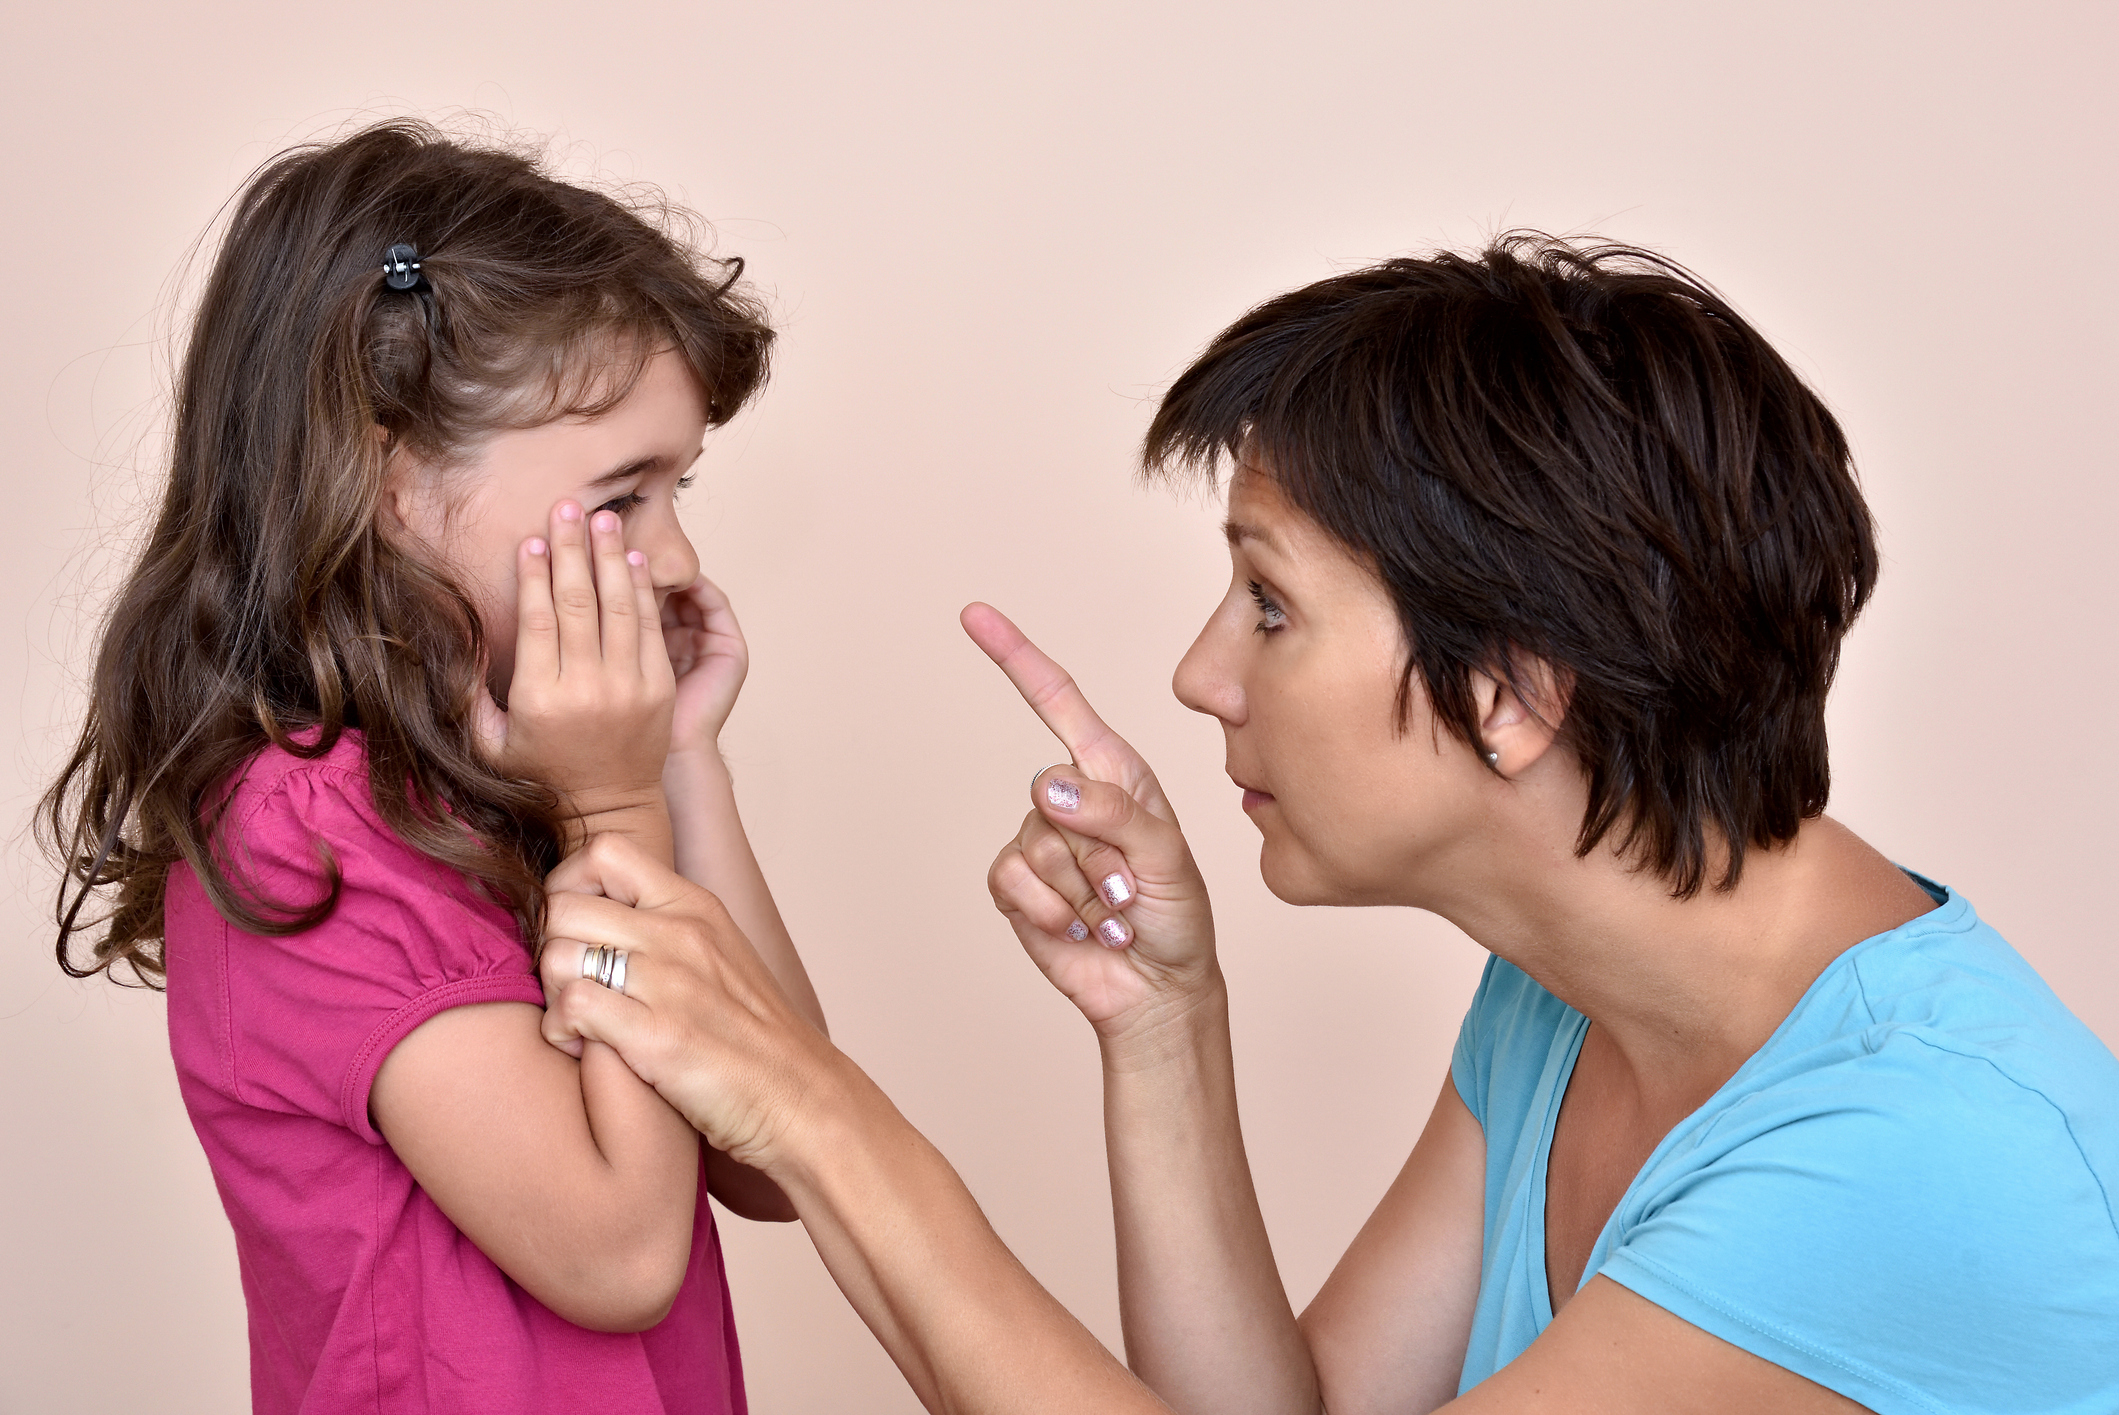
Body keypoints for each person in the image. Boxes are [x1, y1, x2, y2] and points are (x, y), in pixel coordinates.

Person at [534, 236, 2119, 1413]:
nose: (1202, 674)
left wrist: (809, 1106)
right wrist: (1164, 1021)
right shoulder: (1569, 999)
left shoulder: (1918, 1156)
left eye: (1272, 606)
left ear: (1509, 692)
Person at [41, 120, 824, 1414]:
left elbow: (786, 1152)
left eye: (682, 489)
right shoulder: (303, 834)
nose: (678, 559)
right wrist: (619, 809)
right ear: (391, 478)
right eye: (625, 498)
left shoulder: (519, 767)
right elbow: (621, 1252)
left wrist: (682, 766)